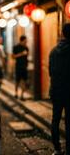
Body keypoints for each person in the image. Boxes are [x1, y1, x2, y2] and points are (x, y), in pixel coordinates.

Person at [49, 23, 70, 155]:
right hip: (69, 91)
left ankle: (57, 148)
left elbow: (51, 72)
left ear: (62, 33)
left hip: (56, 91)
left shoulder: (53, 51)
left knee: (55, 120)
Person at [12, 35, 29, 100]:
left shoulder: (26, 48)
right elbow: (13, 56)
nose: (26, 42)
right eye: (25, 41)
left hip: (24, 66)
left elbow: (27, 55)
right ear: (22, 40)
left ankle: (22, 95)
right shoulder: (16, 47)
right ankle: (16, 93)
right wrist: (21, 54)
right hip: (18, 66)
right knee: (17, 81)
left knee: (24, 81)